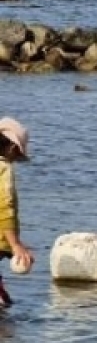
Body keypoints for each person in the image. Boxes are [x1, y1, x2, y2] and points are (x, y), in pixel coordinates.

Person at [0, 118, 34, 307]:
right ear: (12, 149)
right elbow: (4, 208)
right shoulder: (3, 168)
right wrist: (15, 245)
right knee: (4, 306)